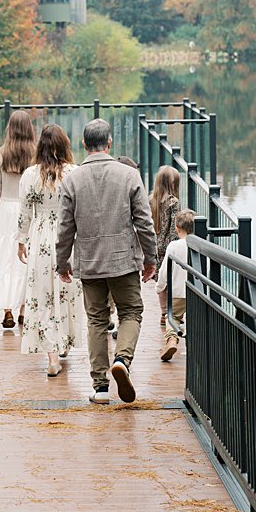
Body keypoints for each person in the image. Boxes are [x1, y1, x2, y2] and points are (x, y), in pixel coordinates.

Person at [57, 118, 157, 405]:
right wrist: (150, 259)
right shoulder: (128, 175)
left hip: (89, 261)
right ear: (109, 143)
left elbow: (65, 227)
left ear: (84, 145)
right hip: (123, 259)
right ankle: (122, 360)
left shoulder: (72, 179)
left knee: (97, 320)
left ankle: (100, 387)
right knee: (131, 312)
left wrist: (62, 263)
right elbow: (144, 223)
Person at [17, 124, 84, 377]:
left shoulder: (31, 175)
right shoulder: (74, 173)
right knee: (66, 293)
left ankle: (53, 356)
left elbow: (24, 212)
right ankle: (63, 342)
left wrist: (21, 240)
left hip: (42, 236)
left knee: (43, 295)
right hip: (69, 236)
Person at [0, 110, 36, 328]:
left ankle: (8, 311)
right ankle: (24, 310)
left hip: (5, 209)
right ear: (30, 129)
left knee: (4, 260)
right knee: (26, 260)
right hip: (28, 209)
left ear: (9, 129)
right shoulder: (36, 154)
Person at [156, 209, 195, 361]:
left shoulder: (173, 246)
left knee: (173, 317)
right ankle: (194, 346)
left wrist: (160, 287)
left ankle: (172, 339)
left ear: (177, 229)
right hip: (196, 292)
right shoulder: (202, 245)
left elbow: (165, 270)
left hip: (177, 291)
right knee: (194, 319)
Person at [149, 165, 181, 326]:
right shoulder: (173, 202)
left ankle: (163, 311)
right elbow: (174, 228)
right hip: (168, 247)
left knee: (160, 281)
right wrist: (173, 245)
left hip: (153, 247)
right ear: (173, 184)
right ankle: (172, 311)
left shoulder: (150, 200)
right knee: (171, 279)